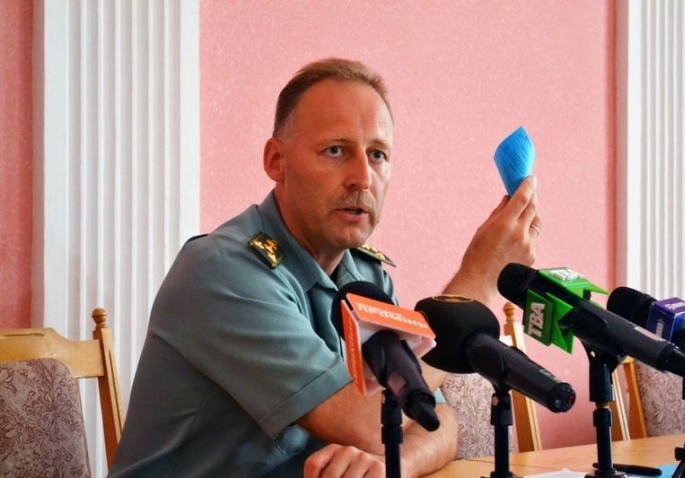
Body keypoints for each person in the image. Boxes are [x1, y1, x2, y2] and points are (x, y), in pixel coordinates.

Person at [108, 57, 541, 478]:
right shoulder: (221, 271)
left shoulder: (366, 276)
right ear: (276, 161)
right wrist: (479, 282)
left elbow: (437, 420)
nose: (362, 178)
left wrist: (395, 465)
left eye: (377, 155)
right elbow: (367, 422)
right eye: (336, 151)